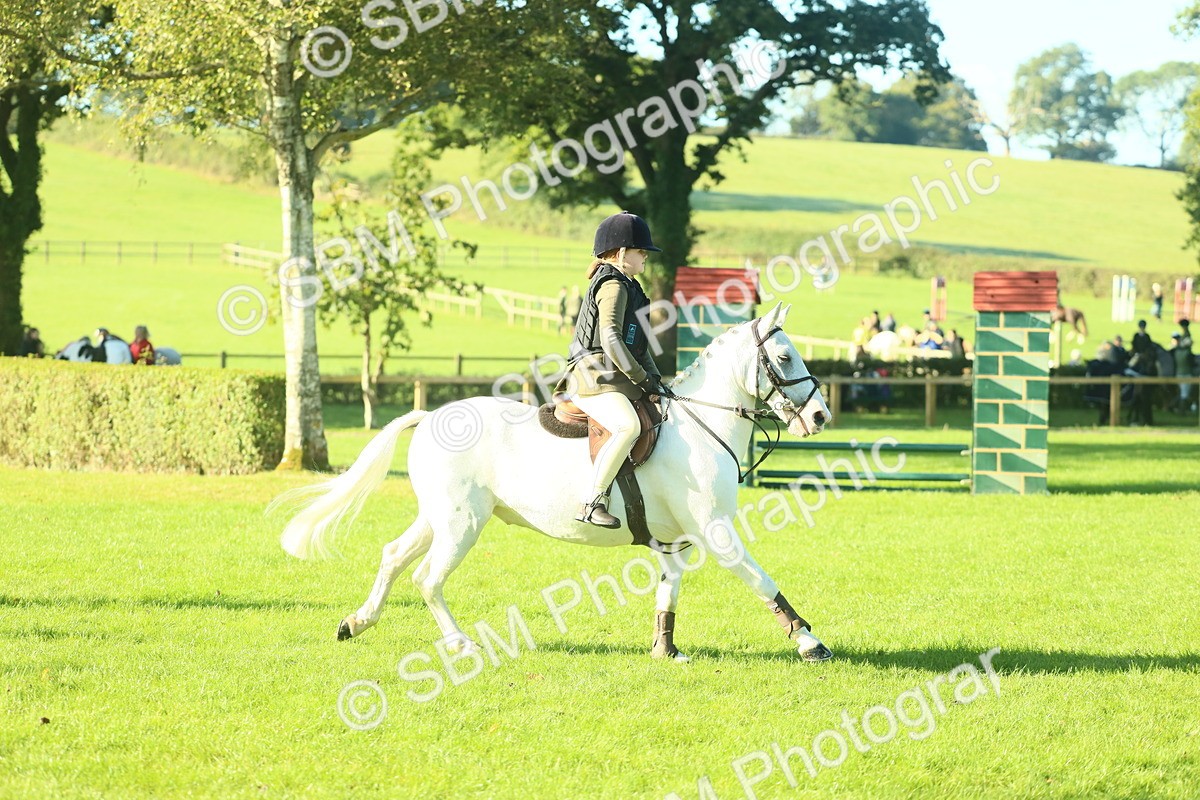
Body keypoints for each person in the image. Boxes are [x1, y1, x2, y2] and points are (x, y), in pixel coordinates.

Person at [557, 212, 662, 528]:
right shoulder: (613, 284)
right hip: (592, 376)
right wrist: (642, 380)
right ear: (620, 254)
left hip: (611, 378)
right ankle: (592, 501)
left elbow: (638, 347)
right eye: (640, 250)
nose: (644, 255)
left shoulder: (632, 287)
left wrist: (655, 380)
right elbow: (611, 338)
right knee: (627, 426)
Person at [1173, 320, 1195, 412]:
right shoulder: (1187, 334)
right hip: (1186, 372)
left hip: (1180, 371)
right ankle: (1182, 409)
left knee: (1182, 392)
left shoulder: (1185, 335)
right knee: (1184, 393)